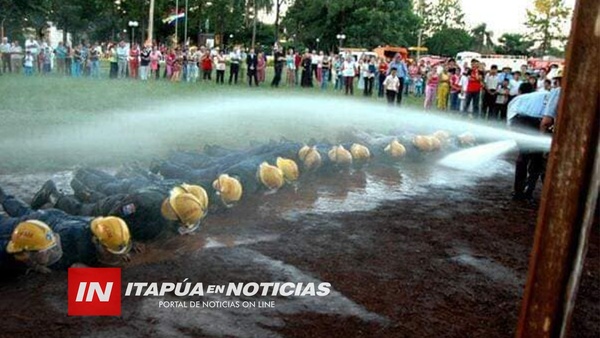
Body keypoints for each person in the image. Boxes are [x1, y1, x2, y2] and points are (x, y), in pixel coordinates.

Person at [30, 171, 208, 240]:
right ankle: (52, 194)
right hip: (112, 208)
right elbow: (115, 215)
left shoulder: (170, 204)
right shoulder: (145, 202)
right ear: (174, 213)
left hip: (121, 201)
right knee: (82, 210)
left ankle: (81, 188)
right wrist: (123, 238)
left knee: (92, 198)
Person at [0, 187, 133, 272]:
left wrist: (117, 250)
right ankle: (3, 197)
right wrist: (71, 267)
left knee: (24, 212)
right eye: (108, 251)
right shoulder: (72, 237)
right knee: (9, 226)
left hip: (56, 217)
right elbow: (51, 258)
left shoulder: (101, 227)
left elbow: (114, 239)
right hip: (43, 224)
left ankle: (4, 197)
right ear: (95, 241)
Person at [506, 82, 547, 200]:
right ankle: (529, 191)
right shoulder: (544, 94)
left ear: (519, 91)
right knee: (537, 159)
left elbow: (510, 121)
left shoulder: (517, 99)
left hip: (521, 123)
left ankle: (518, 191)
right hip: (538, 123)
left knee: (523, 157)